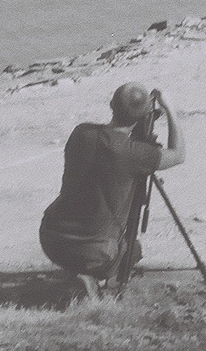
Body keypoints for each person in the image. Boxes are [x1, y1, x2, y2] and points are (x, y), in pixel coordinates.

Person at [38, 82, 186, 300]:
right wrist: (170, 108)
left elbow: (109, 146)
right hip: (94, 253)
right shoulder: (134, 153)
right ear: (146, 114)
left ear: (111, 105)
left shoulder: (81, 133)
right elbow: (178, 154)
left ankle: (82, 273)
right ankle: (93, 278)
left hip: (51, 239)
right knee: (133, 250)